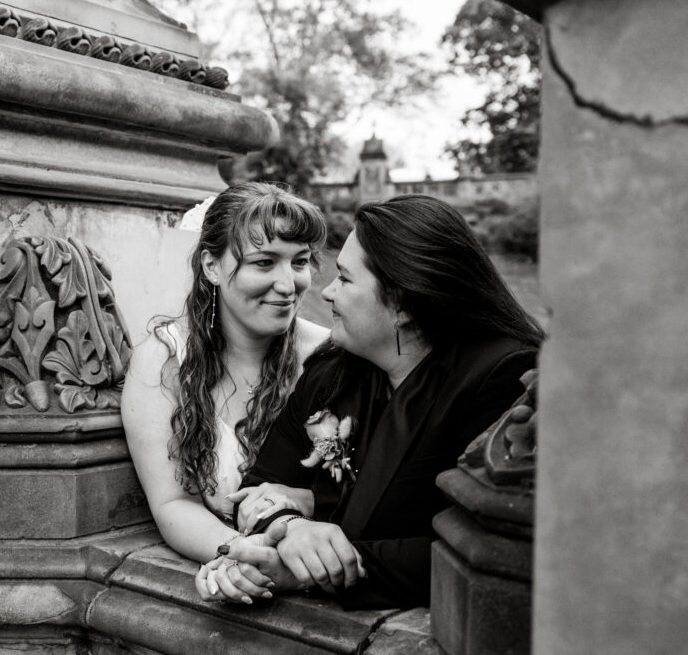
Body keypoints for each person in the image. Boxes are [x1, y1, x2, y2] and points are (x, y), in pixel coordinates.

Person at [197, 194, 544, 608]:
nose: (326, 293)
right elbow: (257, 488)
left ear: (402, 301)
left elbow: (476, 544)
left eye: (344, 278)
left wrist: (305, 570)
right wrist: (290, 528)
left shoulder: (502, 378)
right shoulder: (333, 370)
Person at [121, 182, 329, 602]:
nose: (288, 284)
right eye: (265, 262)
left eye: (300, 262)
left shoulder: (329, 356)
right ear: (212, 266)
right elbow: (172, 504)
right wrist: (235, 550)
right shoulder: (164, 363)